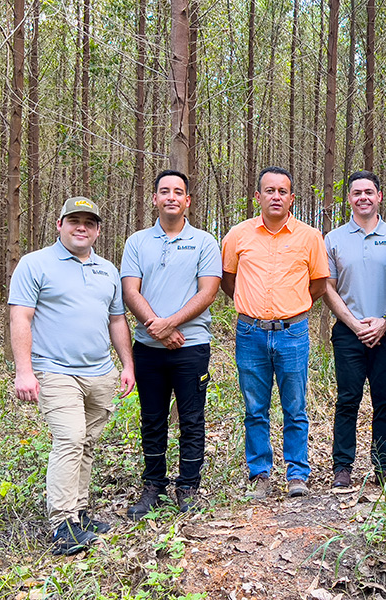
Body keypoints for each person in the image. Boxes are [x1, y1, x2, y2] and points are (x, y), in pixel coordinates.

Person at [9, 197, 135, 555]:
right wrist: (24, 371)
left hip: (100, 373)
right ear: (60, 224)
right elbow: (21, 318)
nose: (82, 227)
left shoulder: (107, 269)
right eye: (75, 220)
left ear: (97, 230)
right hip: (55, 371)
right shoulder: (35, 264)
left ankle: (79, 512)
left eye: (89, 222)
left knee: (87, 443)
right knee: (70, 439)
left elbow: (116, 320)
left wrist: (126, 365)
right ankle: (62, 524)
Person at [221, 166, 329, 499]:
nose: (276, 197)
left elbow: (319, 283)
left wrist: (292, 307)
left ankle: (297, 473)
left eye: (282, 191)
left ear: (292, 198)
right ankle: (260, 474)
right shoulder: (237, 236)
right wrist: (250, 305)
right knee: (255, 407)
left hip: (292, 332)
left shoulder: (309, 237)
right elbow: (228, 280)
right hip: (250, 333)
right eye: (269, 191)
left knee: (294, 407)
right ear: (258, 196)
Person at [121, 170, 222, 518]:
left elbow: (208, 292)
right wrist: (157, 329)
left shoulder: (205, 242)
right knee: (152, 418)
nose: (171, 197)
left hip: (191, 346)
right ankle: (153, 485)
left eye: (178, 192)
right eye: (164, 191)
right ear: (154, 198)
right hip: (148, 348)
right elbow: (130, 290)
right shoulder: (137, 242)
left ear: (187, 200)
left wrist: (171, 324)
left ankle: (188, 486)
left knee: (192, 418)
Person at [323, 171, 386, 489]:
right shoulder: (334, 239)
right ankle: (342, 467)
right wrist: (355, 324)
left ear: (379, 196)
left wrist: (384, 320)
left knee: (384, 399)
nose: (363, 198)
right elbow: (328, 288)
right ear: (350, 199)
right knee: (348, 399)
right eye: (357, 193)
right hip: (348, 331)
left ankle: (384, 464)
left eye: (369, 192)